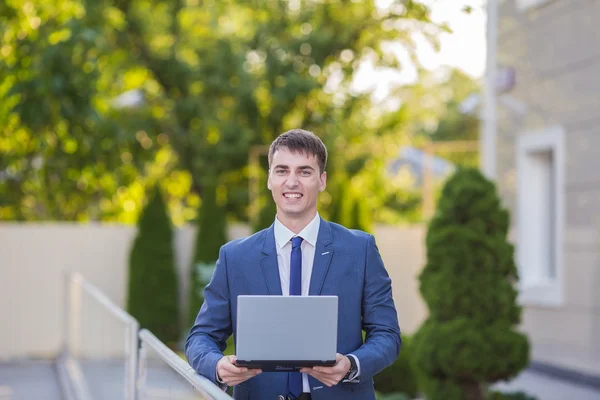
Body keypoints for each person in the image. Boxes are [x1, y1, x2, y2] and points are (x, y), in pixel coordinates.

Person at [185, 129, 401, 400]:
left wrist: (351, 365)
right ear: (269, 179)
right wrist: (217, 366)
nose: (292, 181)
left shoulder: (360, 250)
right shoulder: (235, 257)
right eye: (282, 170)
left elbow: (387, 334)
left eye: (304, 172)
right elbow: (200, 337)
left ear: (322, 180)